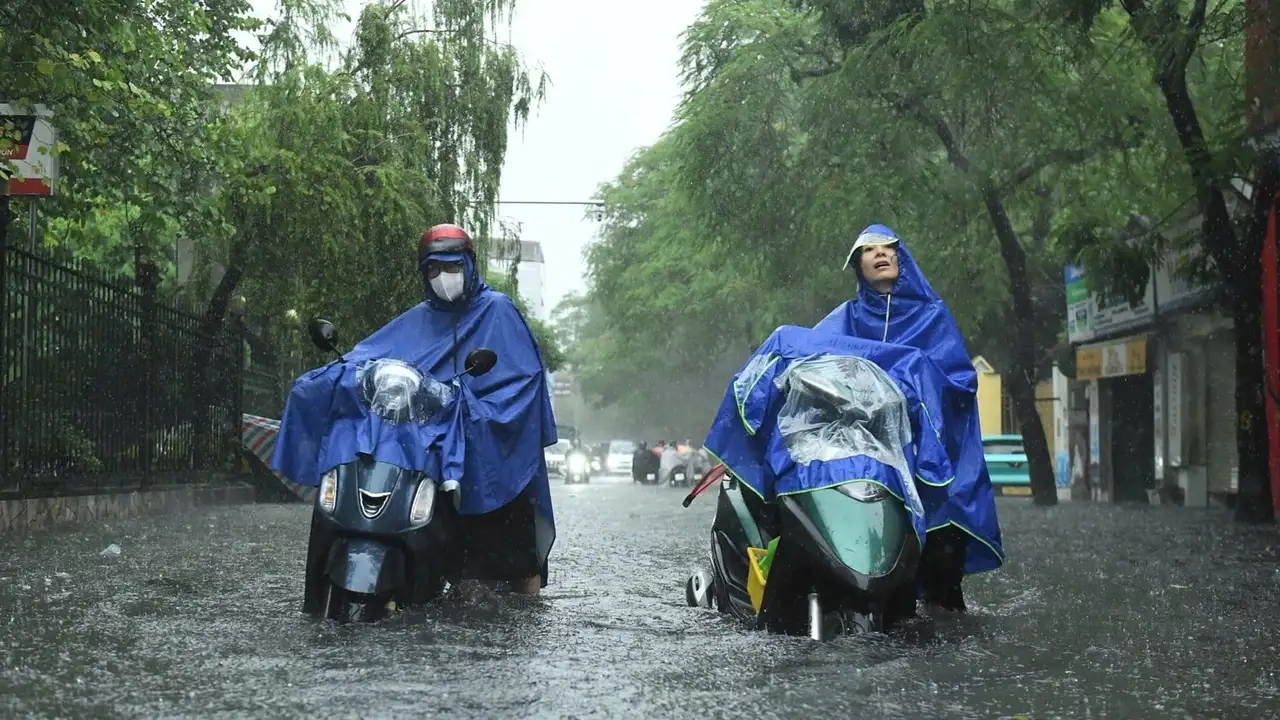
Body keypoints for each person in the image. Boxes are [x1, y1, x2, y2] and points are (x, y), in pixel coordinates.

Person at [274, 223, 557, 596]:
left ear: (469, 264)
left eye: (451, 266)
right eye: (433, 269)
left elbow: (523, 384)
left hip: (493, 453)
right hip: (438, 450)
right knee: (463, 576)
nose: (443, 277)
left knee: (513, 555)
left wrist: (472, 409)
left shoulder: (498, 312)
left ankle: (525, 611)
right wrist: (328, 379)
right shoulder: (419, 319)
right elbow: (369, 358)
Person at [815, 223, 1003, 611]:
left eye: (888, 248)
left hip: (932, 464)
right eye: (870, 250)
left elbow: (961, 382)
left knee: (942, 583)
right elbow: (811, 359)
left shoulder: (932, 316)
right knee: (885, 580)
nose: (881, 254)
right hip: (872, 464)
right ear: (858, 265)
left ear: (902, 259)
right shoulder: (845, 320)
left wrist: (914, 381)